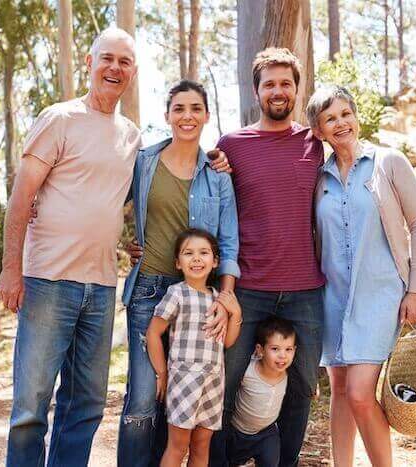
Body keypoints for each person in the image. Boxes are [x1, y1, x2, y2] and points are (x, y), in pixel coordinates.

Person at [0, 27, 141, 467]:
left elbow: (126, 197)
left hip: (100, 287)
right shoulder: (59, 118)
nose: (114, 68)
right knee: (30, 407)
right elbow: (22, 198)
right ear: (89, 62)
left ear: (132, 72)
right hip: (47, 281)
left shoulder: (131, 136)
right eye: (107, 58)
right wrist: (10, 268)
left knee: (86, 405)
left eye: (124, 61)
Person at [209, 48, 325, 467]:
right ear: (256, 90)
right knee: (224, 383)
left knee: (301, 388)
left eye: (286, 83)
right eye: (269, 84)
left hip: (306, 290)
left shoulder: (316, 143)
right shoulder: (231, 146)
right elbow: (210, 206)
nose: (278, 91)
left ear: (297, 89)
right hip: (248, 290)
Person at [306, 85, 416, 467]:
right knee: (340, 391)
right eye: (330, 118)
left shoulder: (388, 162)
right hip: (332, 298)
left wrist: (415, 289)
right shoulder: (318, 178)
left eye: (346, 113)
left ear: (356, 116)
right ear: (319, 131)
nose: (340, 123)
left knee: (360, 393)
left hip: (379, 297)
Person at [118, 80, 239, 467]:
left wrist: (226, 294)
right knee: (143, 398)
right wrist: (121, 244)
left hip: (201, 295)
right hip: (149, 289)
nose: (187, 116)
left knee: (189, 401)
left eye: (195, 109)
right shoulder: (143, 162)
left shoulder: (218, 174)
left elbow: (229, 240)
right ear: (167, 115)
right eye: (179, 108)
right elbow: (102, 200)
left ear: (205, 115)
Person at [146, 229, 243, 467]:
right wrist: (162, 372)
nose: (197, 259)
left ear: (216, 261)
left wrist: (236, 313)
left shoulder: (219, 300)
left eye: (204, 253)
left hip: (213, 383)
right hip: (184, 381)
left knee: (201, 446)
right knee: (178, 447)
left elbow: (227, 342)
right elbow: (153, 333)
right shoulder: (177, 293)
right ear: (178, 263)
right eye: (188, 253)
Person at [226, 317, 296, 467]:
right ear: (260, 350)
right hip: (237, 432)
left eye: (288, 349)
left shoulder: (290, 374)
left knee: (271, 462)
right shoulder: (248, 371)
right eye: (275, 349)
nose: (282, 355)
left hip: (266, 433)